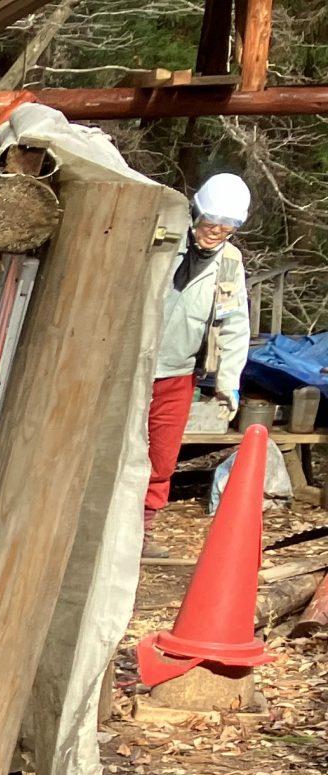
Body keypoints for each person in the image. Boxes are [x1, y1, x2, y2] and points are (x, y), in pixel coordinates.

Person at [144, 172, 252, 530]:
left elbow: (236, 325)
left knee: (161, 459)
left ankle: (140, 532)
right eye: (212, 221)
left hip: (178, 376)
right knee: (113, 451)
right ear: (197, 212)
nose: (217, 230)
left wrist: (229, 381)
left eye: (228, 226)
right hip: (131, 367)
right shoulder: (159, 237)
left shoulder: (230, 264)